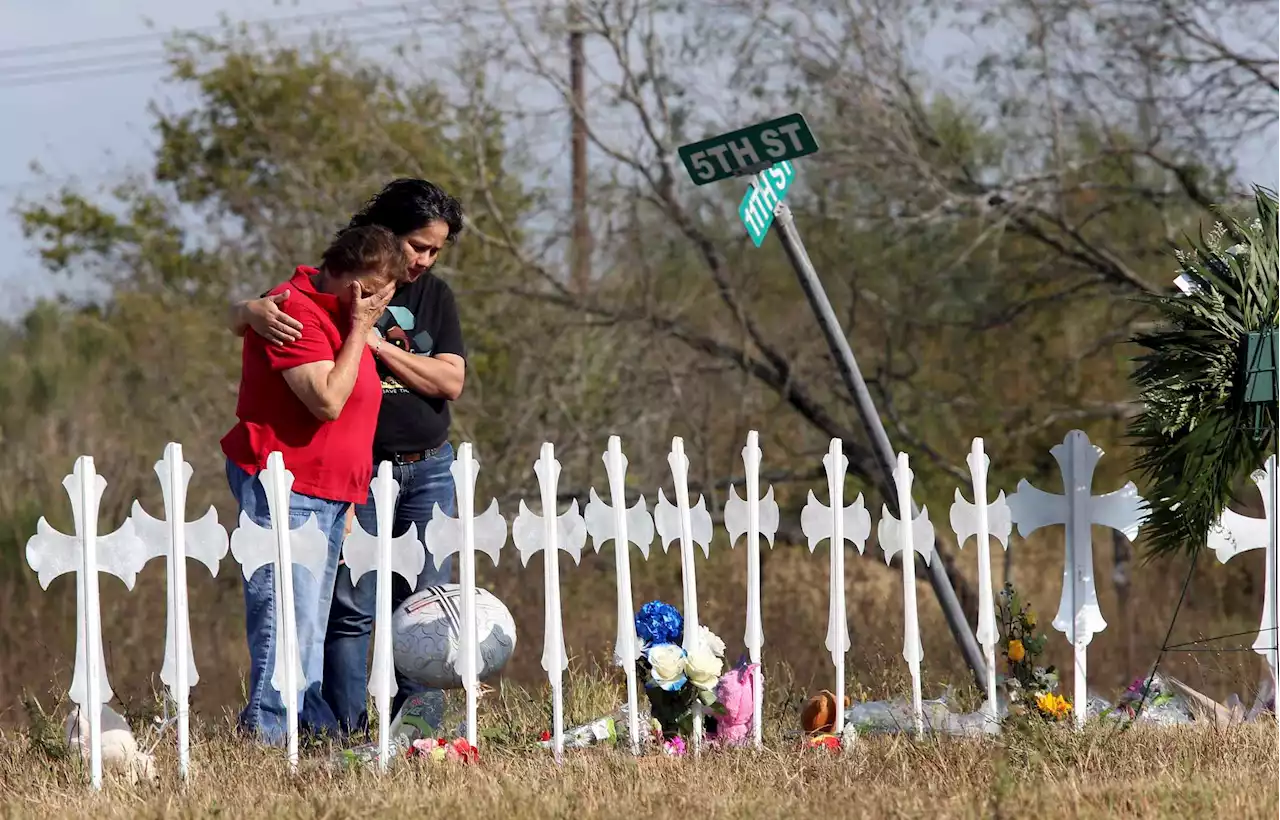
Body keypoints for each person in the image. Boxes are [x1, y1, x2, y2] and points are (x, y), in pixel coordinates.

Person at [228, 178, 468, 737]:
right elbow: (322, 388)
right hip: (332, 474)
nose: (424, 261)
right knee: (337, 610)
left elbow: (451, 380)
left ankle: (418, 729)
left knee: (427, 603)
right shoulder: (332, 298)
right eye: (417, 246)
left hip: (402, 467)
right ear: (384, 239)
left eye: (437, 249)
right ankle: (331, 724)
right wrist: (244, 310)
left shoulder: (425, 298)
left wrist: (374, 342)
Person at [222, 224, 405, 744]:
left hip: (331, 487)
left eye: (380, 292)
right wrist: (357, 331)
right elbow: (327, 399)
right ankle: (270, 733)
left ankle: (304, 726)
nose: (369, 301)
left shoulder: (340, 312)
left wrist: (350, 493)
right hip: (287, 482)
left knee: (311, 622)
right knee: (285, 614)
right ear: (339, 274)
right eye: (364, 289)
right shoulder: (295, 310)